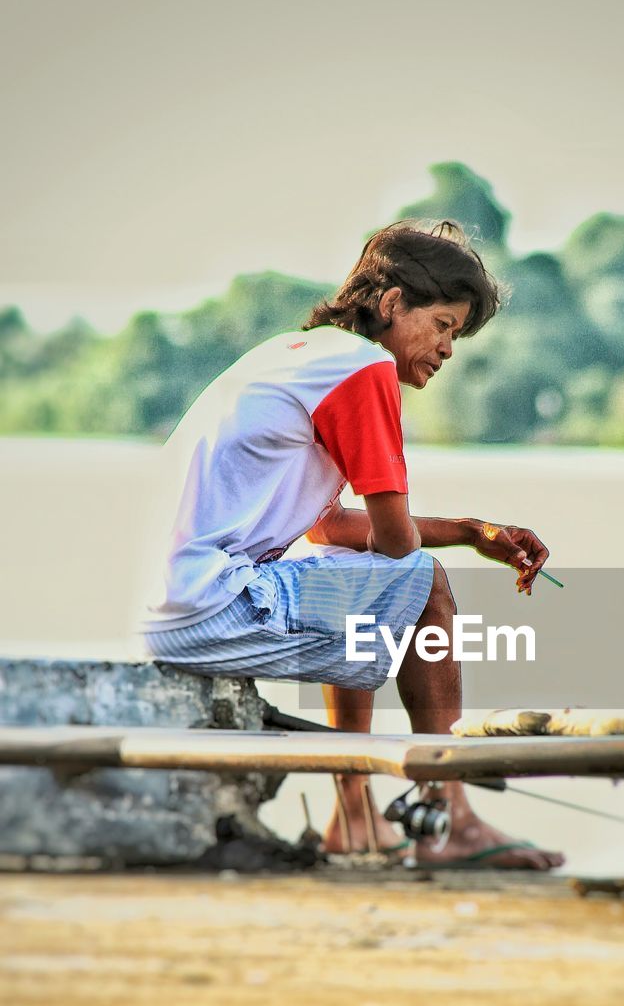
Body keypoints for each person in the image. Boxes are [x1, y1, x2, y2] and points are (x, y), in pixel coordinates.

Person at [142, 220, 564, 870]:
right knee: (421, 584)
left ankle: (354, 817)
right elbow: (396, 547)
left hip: (173, 607)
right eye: (445, 325)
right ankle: (448, 816)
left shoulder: (296, 352)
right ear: (392, 303)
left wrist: (474, 533)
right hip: (213, 603)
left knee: (357, 576)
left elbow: (329, 528)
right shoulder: (362, 366)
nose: (448, 349)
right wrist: (456, 544)